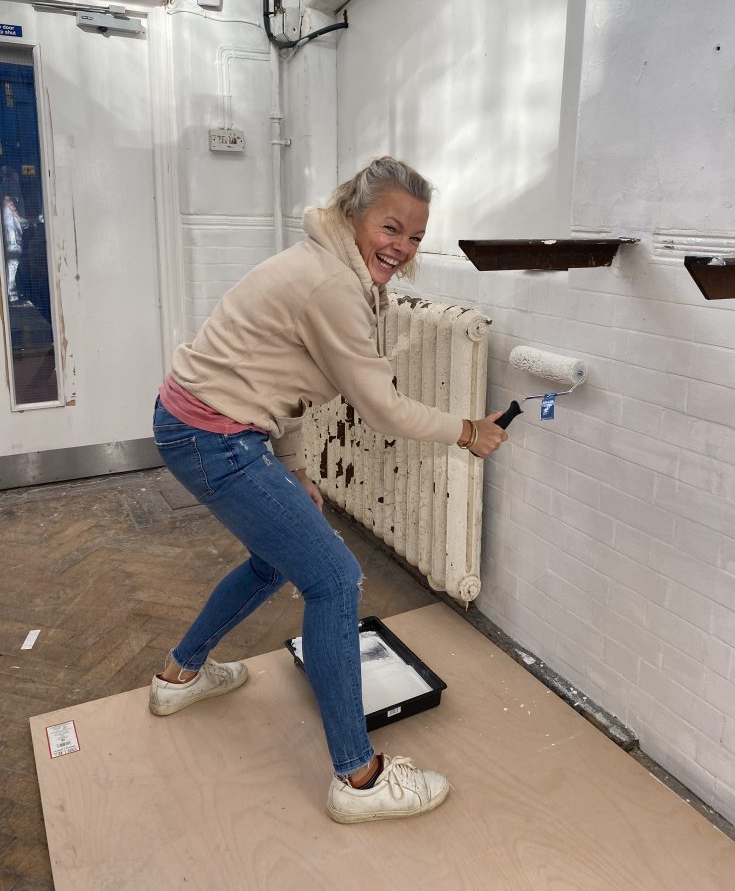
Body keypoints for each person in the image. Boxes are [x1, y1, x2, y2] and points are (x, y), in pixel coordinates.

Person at [150, 157, 507, 823]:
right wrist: (466, 431)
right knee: (335, 579)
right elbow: (383, 409)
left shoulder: (337, 268)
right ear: (354, 214)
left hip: (210, 425)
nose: (400, 247)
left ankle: (180, 675)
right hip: (212, 434)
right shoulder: (331, 284)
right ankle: (358, 778)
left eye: (414, 237)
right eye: (390, 227)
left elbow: (280, 378)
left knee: (276, 560)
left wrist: (292, 470)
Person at [2, 193, 26, 303]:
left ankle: (11, 294)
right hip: (12, 243)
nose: (12, 202)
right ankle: (11, 295)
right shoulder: (7, 211)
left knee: (12, 269)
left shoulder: (11, 214)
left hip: (13, 243)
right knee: (12, 268)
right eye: (9, 200)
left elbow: (23, 223)